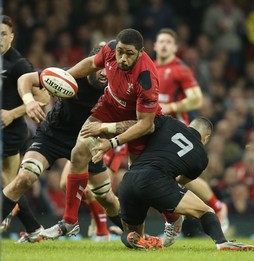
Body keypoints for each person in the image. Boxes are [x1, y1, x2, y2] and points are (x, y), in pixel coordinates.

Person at [36, 28, 162, 239]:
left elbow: (145, 124)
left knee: (137, 185)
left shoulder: (146, 79)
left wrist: (108, 136)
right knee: (79, 153)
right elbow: (91, 64)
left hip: (135, 123)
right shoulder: (111, 49)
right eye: (120, 51)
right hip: (108, 109)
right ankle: (69, 222)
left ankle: (165, 223)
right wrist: (65, 77)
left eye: (129, 53)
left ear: (141, 52)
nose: (122, 57)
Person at [1, 46, 121, 242]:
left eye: (110, 68)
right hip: (53, 135)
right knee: (25, 177)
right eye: (101, 67)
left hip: (87, 141)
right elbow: (25, 80)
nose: (105, 73)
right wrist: (29, 101)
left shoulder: (115, 87)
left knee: (106, 197)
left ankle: (135, 233)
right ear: (92, 64)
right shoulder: (70, 74)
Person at [113, 115, 254, 251]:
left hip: (128, 179)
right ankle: (222, 242)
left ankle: (131, 237)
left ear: (189, 125)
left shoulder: (169, 122)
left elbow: (144, 127)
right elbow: (180, 181)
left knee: (133, 233)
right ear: (206, 137)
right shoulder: (201, 157)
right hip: (155, 180)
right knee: (206, 211)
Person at [153, 28, 229, 245]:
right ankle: (209, 208)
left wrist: (170, 106)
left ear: (175, 47)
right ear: (155, 46)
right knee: (167, 178)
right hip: (157, 130)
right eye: (161, 41)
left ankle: (207, 209)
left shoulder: (180, 69)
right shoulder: (150, 68)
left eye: (169, 42)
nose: (165, 45)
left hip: (178, 131)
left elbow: (196, 99)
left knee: (170, 177)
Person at [0, 15, 49, 242]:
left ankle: (17, 217)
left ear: (11, 36)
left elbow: (43, 96)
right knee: (10, 184)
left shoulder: (18, 64)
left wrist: (12, 113)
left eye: (3, 34)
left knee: (10, 184)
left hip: (9, 132)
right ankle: (33, 229)